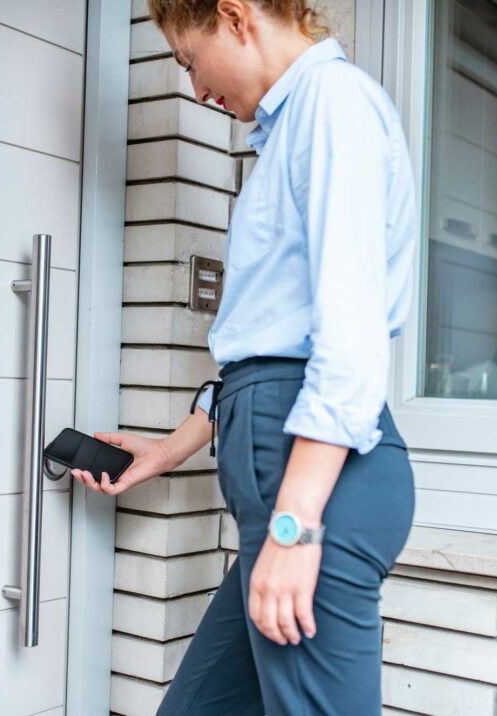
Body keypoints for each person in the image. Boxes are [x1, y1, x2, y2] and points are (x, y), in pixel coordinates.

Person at [70, 1, 418, 713]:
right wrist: (171, 448)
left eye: (189, 61)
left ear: (234, 16)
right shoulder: (294, 124)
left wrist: (293, 530)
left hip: (312, 486)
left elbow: (347, 333)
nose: (197, 90)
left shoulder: (331, 102)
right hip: (287, 468)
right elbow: (264, 343)